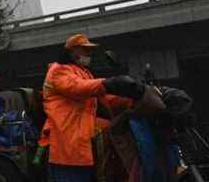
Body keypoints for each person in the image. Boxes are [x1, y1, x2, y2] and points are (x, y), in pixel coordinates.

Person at [38, 34, 145, 182]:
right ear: (72, 51)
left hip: (82, 135)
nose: (89, 53)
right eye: (85, 49)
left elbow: (101, 96)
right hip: (68, 135)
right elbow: (77, 87)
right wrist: (109, 83)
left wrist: (128, 98)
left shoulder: (84, 72)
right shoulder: (58, 70)